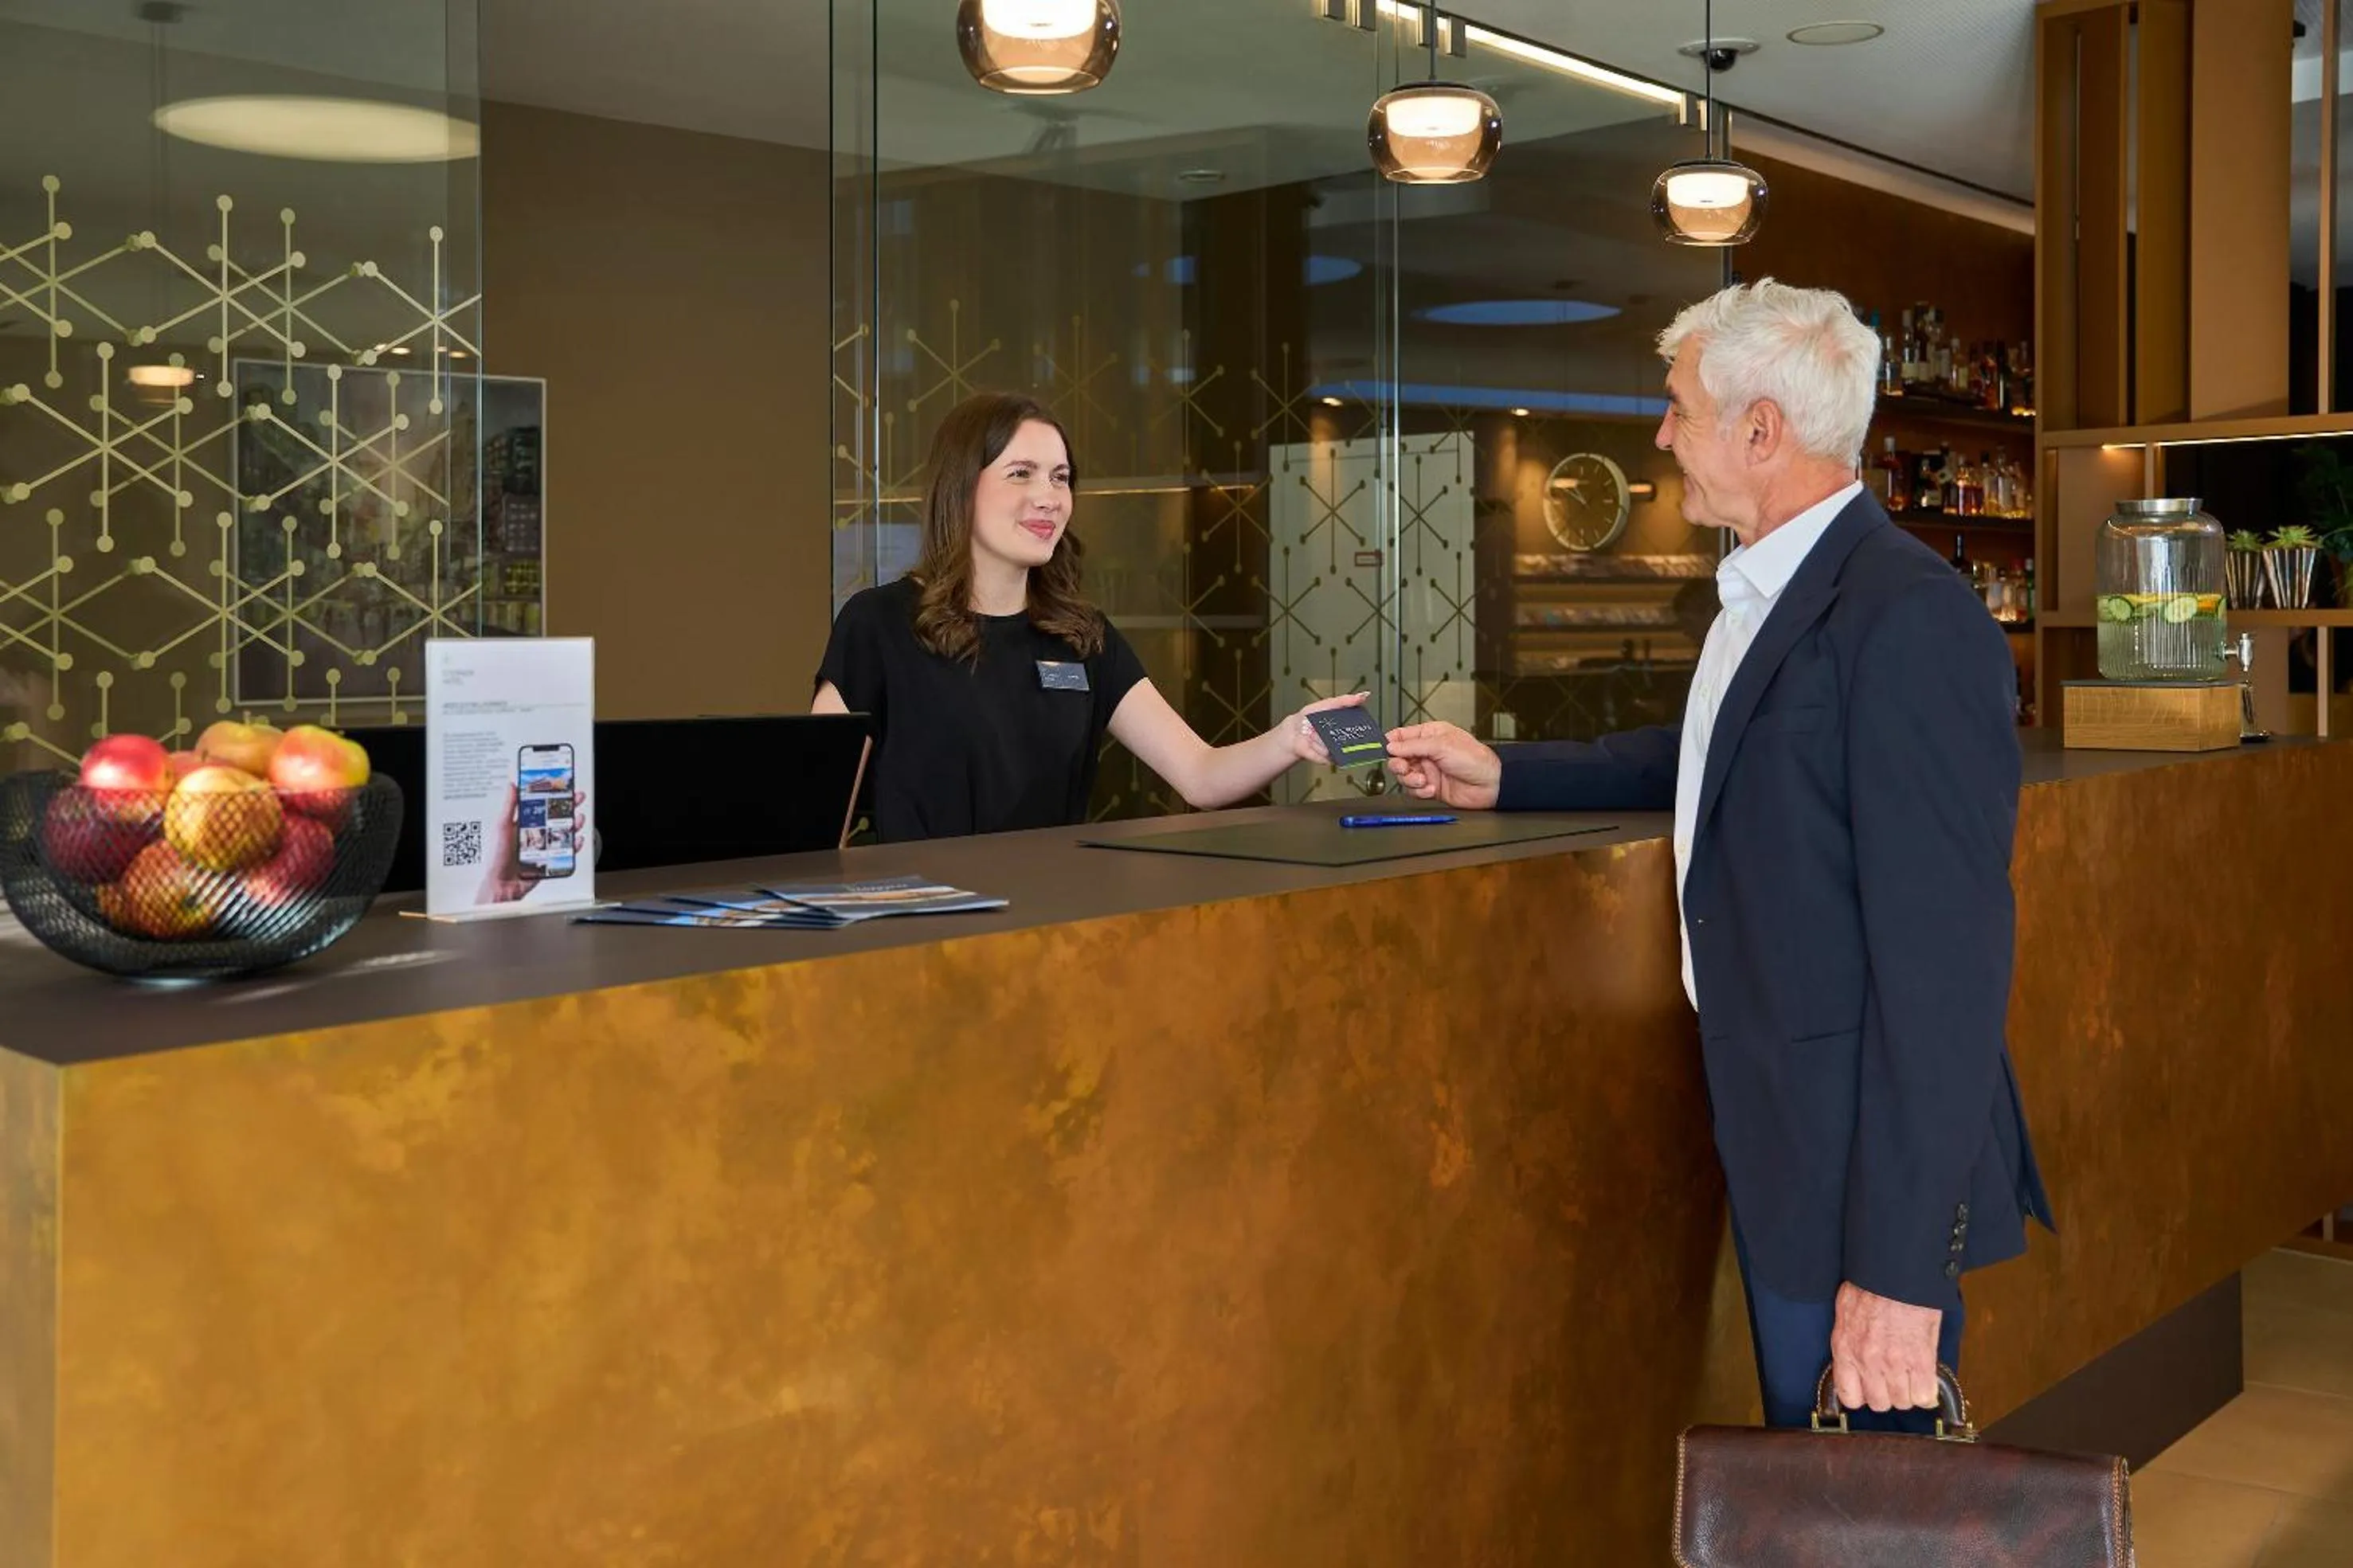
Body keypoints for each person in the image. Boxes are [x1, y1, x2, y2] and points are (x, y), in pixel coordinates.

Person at [1384, 280, 2052, 1432]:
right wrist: (1512, 773)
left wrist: (1895, 1272)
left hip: (1860, 1173)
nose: (1658, 435)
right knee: (1818, 1485)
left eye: (1676, 407)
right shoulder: (1771, 587)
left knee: (1869, 1511)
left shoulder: (1909, 617)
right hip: (1784, 1135)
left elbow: (1945, 972)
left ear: (1761, 430)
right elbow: (1717, 755)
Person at [815, 392, 1361, 842]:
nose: (1048, 496)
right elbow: (819, 814)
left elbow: (1200, 774)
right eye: (1021, 473)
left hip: (1054, 930)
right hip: (918, 932)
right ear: (962, 486)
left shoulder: (1082, 637)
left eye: (1060, 476)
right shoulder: (880, 623)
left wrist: (1291, 738)